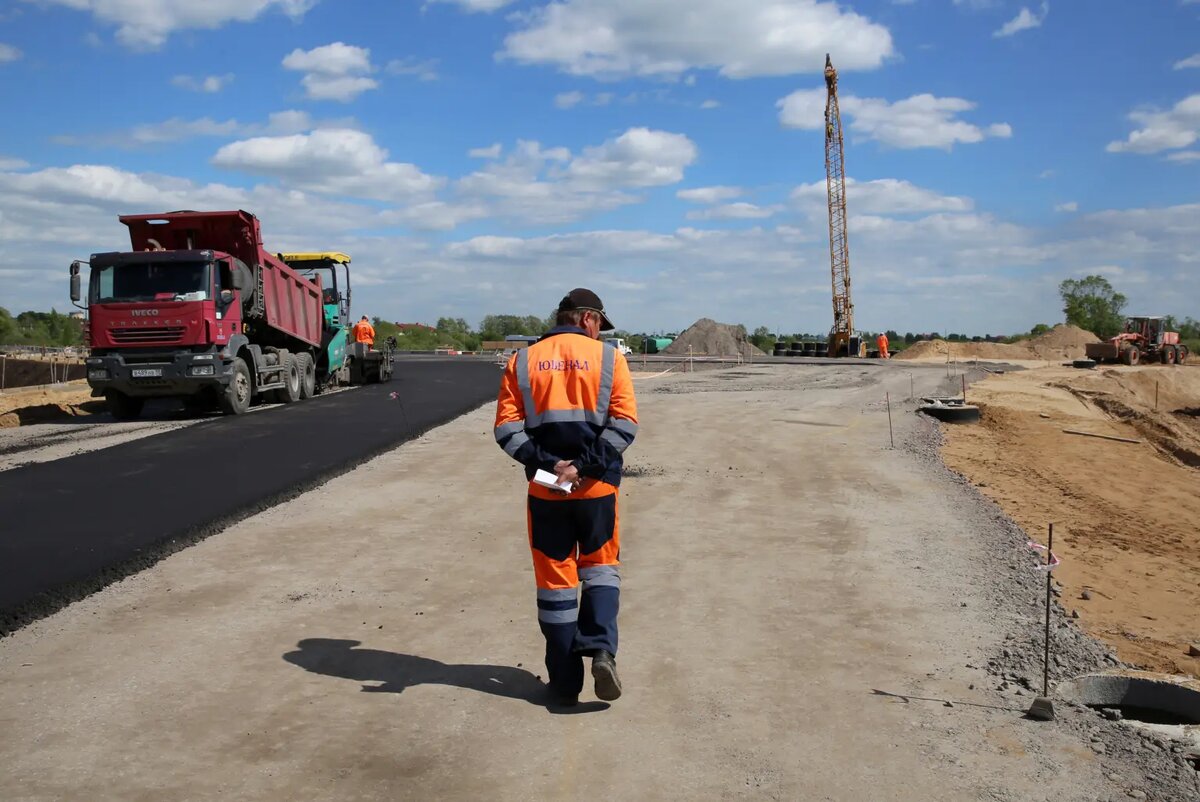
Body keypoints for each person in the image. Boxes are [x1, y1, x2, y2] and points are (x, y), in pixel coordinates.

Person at [493, 288, 638, 707]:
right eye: (599, 325)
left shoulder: (522, 361)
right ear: (588, 318)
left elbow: (506, 430)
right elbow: (624, 425)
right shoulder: (610, 359)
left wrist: (550, 466)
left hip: (546, 490)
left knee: (556, 586)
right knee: (601, 570)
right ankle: (602, 650)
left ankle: (563, 685)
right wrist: (582, 467)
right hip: (596, 489)